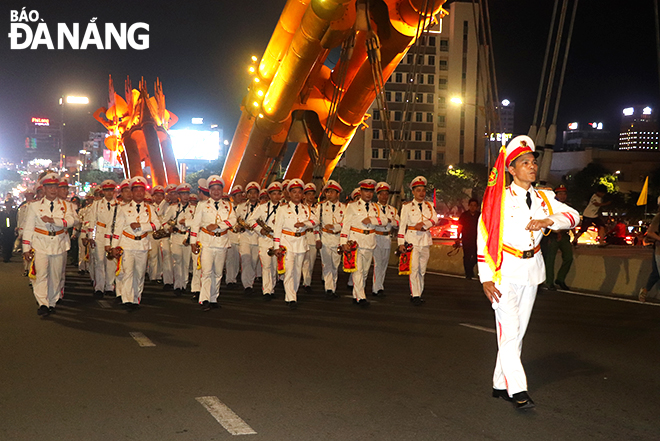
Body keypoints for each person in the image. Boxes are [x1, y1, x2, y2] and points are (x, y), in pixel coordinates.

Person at [478, 135, 580, 409]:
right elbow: (483, 235)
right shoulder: (498, 198)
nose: (532, 167)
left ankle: (500, 383)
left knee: (518, 332)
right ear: (511, 169)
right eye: (525, 163)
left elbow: (574, 216)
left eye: (533, 162)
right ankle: (518, 390)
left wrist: (549, 220)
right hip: (503, 271)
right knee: (509, 331)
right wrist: (485, 276)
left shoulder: (544, 198)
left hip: (531, 270)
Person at [22, 172, 77, 317]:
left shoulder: (66, 205)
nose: (53, 190)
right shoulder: (34, 207)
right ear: (44, 189)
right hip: (40, 243)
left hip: (59, 243)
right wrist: (26, 248)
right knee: (41, 274)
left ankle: (52, 302)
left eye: (55, 186)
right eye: (49, 187)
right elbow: (28, 228)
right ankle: (43, 303)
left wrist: (55, 221)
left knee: (56, 275)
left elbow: (73, 221)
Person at [107, 176, 160, 311]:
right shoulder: (123, 209)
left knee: (140, 273)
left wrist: (142, 226)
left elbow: (157, 225)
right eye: (135, 190)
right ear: (132, 192)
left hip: (142, 244)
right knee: (128, 272)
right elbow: (117, 229)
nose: (138, 193)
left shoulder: (149, 208)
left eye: (141, 190)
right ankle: (127, 300)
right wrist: (114, 246)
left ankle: (136, 298)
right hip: (127, 244)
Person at [190, 175, 237, 311]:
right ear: (209, 191)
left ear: (222, 190)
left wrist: (218, 225)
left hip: (221, 241)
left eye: (219, 189)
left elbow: (233, 220)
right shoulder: (202, 205)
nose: (216, 192)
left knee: (218, 272)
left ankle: (213, 298)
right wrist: (193, 241)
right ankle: (204, 299)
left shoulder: (228, 205)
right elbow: (195, 224)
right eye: (213, 189)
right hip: (206, 242)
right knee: (206, 271)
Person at [273, 179, 319, 309]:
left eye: (299, 192)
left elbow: (316, 221)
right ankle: (291, 297)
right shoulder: (282, 209)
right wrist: (276, 247)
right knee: (289, 270)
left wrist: (305, 224)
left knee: (298, 271)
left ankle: (293, 293)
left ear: (302, 194)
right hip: (287, 242)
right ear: (289, 194)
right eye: (294, 192)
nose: (297, 195)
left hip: (301, 242)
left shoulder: (307, 209)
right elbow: (277, 228)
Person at [340, 179, 385, 308]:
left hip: (370, 241)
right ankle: (361, 297)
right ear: (360, 191)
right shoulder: (352, 206)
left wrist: (371, 219)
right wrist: (343, 242)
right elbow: (346, 225)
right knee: (358, 270)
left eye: (371, 191)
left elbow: (384, 220)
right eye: (366, 191)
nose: (368, 194)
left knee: (365, 271)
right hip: (356, 241)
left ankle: (356, 295)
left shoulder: (376, 207)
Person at [397, 176, 438, 305]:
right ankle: (415, 295)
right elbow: (402, 226)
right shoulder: (407, 207)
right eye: (418, 190)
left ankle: (419, 293)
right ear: (413, 192)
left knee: (422, 270)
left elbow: (435, 219)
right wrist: (400, 243)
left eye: (423, 190)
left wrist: (424, 224)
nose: (421, 193)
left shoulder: (429, 205)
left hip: (425, 240)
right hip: (412, 241)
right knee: (413, 268)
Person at [248, 181, 283, 300]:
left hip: (279, 240)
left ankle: (271, 288)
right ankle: (267, 290)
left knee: (275, 266)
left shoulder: (285, 208)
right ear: (269, 195)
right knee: (266, 266)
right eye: (274, 194)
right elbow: (251, 220)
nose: (276, 196)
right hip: (265, 239)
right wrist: (259, 230)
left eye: (279, 193)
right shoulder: (262, 208)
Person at [540, 185, 575, 290]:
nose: (563, 196)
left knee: (569, 257)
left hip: (564, 235)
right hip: (552, 235)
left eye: (564, 194)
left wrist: (575, 234)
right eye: (560, 194)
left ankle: (560, 279)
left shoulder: (567, 207)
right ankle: (549, 282)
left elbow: (571, 220)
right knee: (550, 259)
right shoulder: (550, 206)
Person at [164, 183, 196, 296]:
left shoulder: (194, 209)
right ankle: (177, 285)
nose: (186, 196)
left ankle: (184, 284)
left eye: (187, 193)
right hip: (176, 236)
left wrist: (189, 237)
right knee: (177, 261)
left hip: (187, 237)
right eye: (183, 194)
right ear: (179, 195)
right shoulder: (173, 208)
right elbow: (164, 222)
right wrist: (169, 228)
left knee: (186, 262)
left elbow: (195, 224)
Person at [317, 180, 345, 298]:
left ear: (337, 194)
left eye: (332, 192)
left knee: (335, 264)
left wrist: (336, 226)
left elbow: (347, 223)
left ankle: (333, 285)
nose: (329, 194)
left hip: (338, 238)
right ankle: (329, 288)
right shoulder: (321, 207)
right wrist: (317, 238)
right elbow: (316, 224)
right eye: (327, 192)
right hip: (325, 238)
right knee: (326, 264)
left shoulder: (344, 207)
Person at [372, 182, 399, 296]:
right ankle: (376, 288)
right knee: (377, 263)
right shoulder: (373, 207)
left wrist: (388, 221)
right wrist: (387, 221)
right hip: (376, 236)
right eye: (381, 194)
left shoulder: (392, 209)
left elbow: (397, 223)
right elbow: (373, 221)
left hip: (387, 237)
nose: (384, 197)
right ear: (377, 195)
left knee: (384, 263)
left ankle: (380, 285)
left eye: (386, 194)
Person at [301, 183, 320, 293]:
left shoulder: (317, 208)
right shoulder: (300, 208)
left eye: (312, 194)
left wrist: (317, 238)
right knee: (300, 261)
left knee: (310, 262)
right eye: (308, 194)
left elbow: (317, 225)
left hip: (312, 236)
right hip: (302, 237)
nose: (311, 196)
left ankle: (307, 283)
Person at [457, 198, 481, 280]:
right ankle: (468, 274)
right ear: (469, 206)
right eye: (471, 205)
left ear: (477, 207)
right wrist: (458, 237)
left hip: (477, 240)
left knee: (475, 257)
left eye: (474, 206)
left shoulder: (480, 215)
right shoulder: (464, 215)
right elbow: (460, 226)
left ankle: (470, 269)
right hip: (466, 239)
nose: (473, 207)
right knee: (467, 256)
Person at [639, 207, 660, 302]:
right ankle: (645, 290)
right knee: (656, 272)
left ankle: (645, 290)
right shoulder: (658, 217)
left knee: (656, 273)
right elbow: (650, 233)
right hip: (659, 250)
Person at [226, 185, 245, 288]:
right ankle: (230, 280)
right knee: (230, 258)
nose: (239, 197)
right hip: (231, 235)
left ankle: (238, 278)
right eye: (237, 195)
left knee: (240, 259)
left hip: (242, 236)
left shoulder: (245, 207)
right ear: (232, 196)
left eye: (240, 195)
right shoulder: (228, 207)